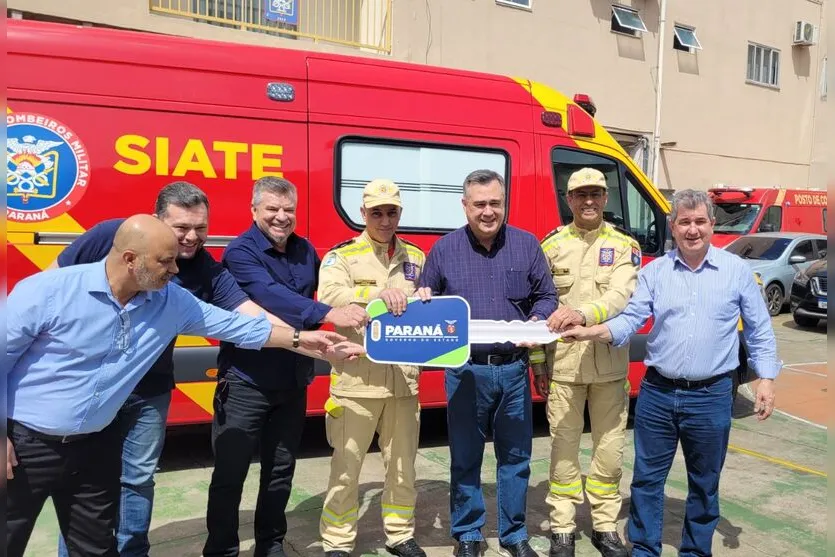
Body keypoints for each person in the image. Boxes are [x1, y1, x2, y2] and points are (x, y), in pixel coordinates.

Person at [6, 215, 358, 557]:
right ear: (131, 260)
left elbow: (240, 326)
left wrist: (303, 340)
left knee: (95, 547)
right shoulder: (47, 292)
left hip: (95, 448)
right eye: (166, 261)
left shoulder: (169, 301)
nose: (176, 270)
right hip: (25, 446)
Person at [556, 190, 781, 557]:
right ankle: (645, 549)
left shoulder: (736, 272)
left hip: (711, 395)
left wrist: (766, 379)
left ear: (711, 224)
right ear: (672, 227)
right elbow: (631, 318)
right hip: (658, 394)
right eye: (684, 222)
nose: (693, 230)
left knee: (704, 483)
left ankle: (695, 550)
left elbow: (759, 330)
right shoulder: (655, 272)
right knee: (646, 481)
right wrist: (591, 329)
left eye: (700, 222)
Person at [204, 177, 369, 557]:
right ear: (254, 211)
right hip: (246, 381)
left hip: (292, 380)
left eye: (288, 210)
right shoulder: (240, 253)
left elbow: (305, 309)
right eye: (272, 209)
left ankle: (270, 544)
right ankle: (221, 549)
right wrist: (329, 313)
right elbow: (270, 297)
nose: (281, 217)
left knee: (280, 471)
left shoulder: (305, 250)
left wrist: (327, 344)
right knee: (231, 474)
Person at [416, 169, 557, 557]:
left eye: (495, 203)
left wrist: (536, 320)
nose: (488, 211)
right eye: (479, 204)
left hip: (513, 370)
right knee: (465, 457)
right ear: (465, 206)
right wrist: (423, 297)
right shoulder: (444, 250)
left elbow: (547, 296)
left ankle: (514, 534)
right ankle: (468, 533)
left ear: (504, 203)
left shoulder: (527, 245)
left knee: (516, 458)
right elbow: (425, 298)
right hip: (464, 371)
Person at [530, 168, 637, 557]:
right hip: (563, 368)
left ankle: (605, 525)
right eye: (580, 195)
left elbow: (622, 295)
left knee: (609, 449)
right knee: (563, 447)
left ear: (605, 199)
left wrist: (581, 313)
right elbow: (537, 306)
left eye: (595, 194)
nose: (588, 201)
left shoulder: (624, 245)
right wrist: (538, 361)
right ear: (568, 200)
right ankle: (562, 527)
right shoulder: (551, 246)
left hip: (609, 366)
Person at [317, 179, 427, 557]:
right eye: (376, 212)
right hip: (356, 382)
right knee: (346, 470)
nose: (384, 219)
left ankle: (399, 535)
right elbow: (328, 295)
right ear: (362, 214)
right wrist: (375, 295)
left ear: (399, 213)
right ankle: (338, 542)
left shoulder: (416, 258)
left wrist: (426, 297)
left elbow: (426, 305)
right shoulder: (342, 256)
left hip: (403, 382)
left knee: (402, 468)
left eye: (391, 212)